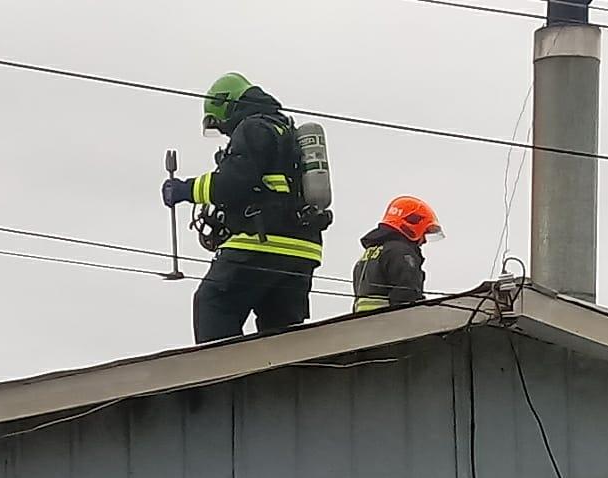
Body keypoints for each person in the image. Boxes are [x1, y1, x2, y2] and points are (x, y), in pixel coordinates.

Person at [161, 72, 331, 343]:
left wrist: (186, 190)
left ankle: (222, 379)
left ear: (226, 105)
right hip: (302, 251)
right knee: (281, 336)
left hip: (261, 244)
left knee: (213, 305)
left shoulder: (252, 128)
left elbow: (232, 184)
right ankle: (278, 382)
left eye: (220, 124)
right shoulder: (285, 128)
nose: (224, 131)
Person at [352, 196, 443, 313]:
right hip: (391, 324)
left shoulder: (370, 254)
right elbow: (407, 296)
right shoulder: (401, 252)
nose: (424, 240)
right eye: (424, 232)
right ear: (412, 225)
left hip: (363, 325)